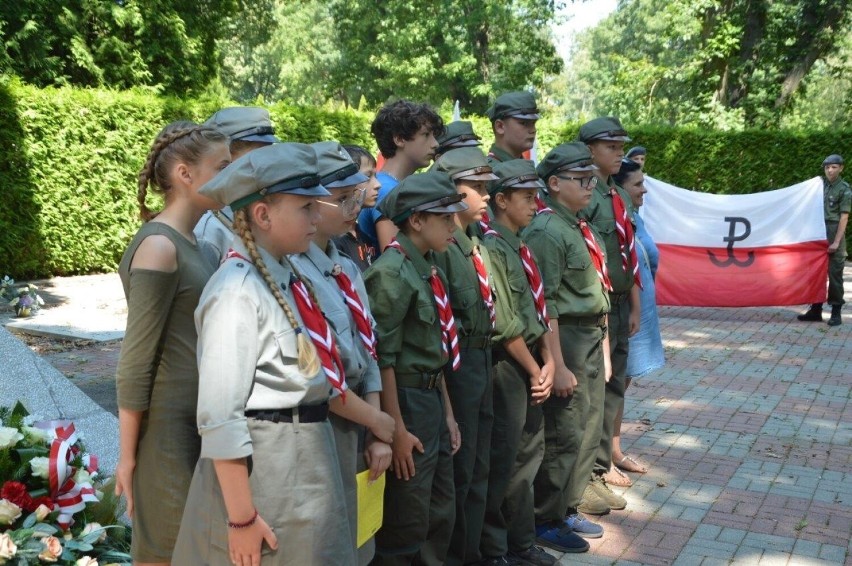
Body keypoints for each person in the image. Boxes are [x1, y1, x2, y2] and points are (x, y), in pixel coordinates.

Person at [173, 143, 395, 566]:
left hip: (306, 458)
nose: (317, 216)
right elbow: (221, 417)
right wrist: (241, 519)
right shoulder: (237, 292)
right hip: (269, 469)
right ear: (263, 214)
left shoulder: (288, 275)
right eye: (306, 206)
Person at [114, 121, 230, 565]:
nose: (229, 178)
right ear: (185, 174)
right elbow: (135, 361)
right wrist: (127, 458)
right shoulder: (159, 247)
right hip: (167, 434)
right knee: (170, 553)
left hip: (200, 423)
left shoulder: (196, 244)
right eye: (220, 168)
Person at [289, 141, 393, 564]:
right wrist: (377, 420)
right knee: (326, 537)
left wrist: (377, 427)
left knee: (359, 534)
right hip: (325, 420)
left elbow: (368, 348)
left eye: (357, 194)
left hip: (361, 415)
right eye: (342, 198)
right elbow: (315, 372)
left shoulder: (347, 266)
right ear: (312, 204)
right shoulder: (293, 271)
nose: (355, 205)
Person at [364, 170, 468, 565]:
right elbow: (382, 359)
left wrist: (448, 415)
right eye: (444, 218)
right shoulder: (392, 273)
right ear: (416, 220)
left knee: (440, 509)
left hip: (429, 400)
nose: (453, 227)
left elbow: (435, 353)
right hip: (405, 402)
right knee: (406, 515)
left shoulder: (427, 266)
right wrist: (397, 430)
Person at [528, 143, 612, 553]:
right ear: (555, 183)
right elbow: (547, 304)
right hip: (568, 338)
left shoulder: (580, 225)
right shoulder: (546, 230)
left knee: (586, 423)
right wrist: (555, 363)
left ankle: (566, 506)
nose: (590, 185)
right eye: (581, 179)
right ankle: (545, 516)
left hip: (590, 335)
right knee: (562, 428)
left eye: (591, 178)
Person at [479, 159, 557, 566]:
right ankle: (496, 548)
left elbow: (537, 310)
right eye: (527, 197)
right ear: (502, 200)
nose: (535, 203)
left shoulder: (521, 246)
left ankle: (521, 542)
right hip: (509, 366)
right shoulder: (493, 248)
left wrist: (549, 360)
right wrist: (534, 368)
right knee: (504, 459)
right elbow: (506, 324)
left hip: (530, 362)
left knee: (528, 455)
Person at [430, 146, 499, 566]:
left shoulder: (471, 239)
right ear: (453, 192)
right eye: (475, 187)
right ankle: (458, 554)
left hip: (481, 359)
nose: (486, 194)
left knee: (478, 467)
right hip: (457, 367)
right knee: (461, 471)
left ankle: (473, 551)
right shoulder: (442, 246)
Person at [577, 116, 640, 515]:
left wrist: (634, 303)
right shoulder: (584, 194)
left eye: (620, 147)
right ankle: (588, 475)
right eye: (611, 147)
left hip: (619, 303)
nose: (619, 154)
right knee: (594, 392)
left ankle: (599, 467)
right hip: (597, 305)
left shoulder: (617, 193)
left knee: (614, 388)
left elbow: (627, 252)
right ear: (590, 151)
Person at [604, 158, 664, 488]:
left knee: (621, 387)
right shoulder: (613, 216)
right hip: (623, 312)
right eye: (637, 184)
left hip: (640, 311)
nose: (644, 189)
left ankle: (614, 450)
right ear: (618, 188)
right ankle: (602, 461)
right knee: (609, 388)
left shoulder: (635, 217)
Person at [193, 106, 280, 268]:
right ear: (226, 157)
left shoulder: (264, 212)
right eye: (258, 157)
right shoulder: (210, 233)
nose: (268, 165)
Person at [356, 100, 444, 253]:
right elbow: (396, 261)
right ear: (399, 139)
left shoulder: (392, 185)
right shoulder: (385, 191)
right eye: (426, 135)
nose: (435, 143)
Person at [798, 154, 850, 326]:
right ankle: (816, 309)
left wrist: (836, 242)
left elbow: (844, 218)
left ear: (841, 168)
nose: (830, 170)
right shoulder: (819, 186)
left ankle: (836, 312)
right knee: (816, 272)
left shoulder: (844, 189)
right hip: (818, 231)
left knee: (834, 275)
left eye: (834, 167)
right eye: (827, 167)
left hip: (834, 231)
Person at [334, 144, 382, 271]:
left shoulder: (363, 236)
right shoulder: (333, 242)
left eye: (375, 176)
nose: (378, 184)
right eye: (367, 177)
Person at [485, 91, 540, 165]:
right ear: (500, 127)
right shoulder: (488, 173)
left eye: (533, 123)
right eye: (523, 123)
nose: (533, 130)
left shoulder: (525, 167)